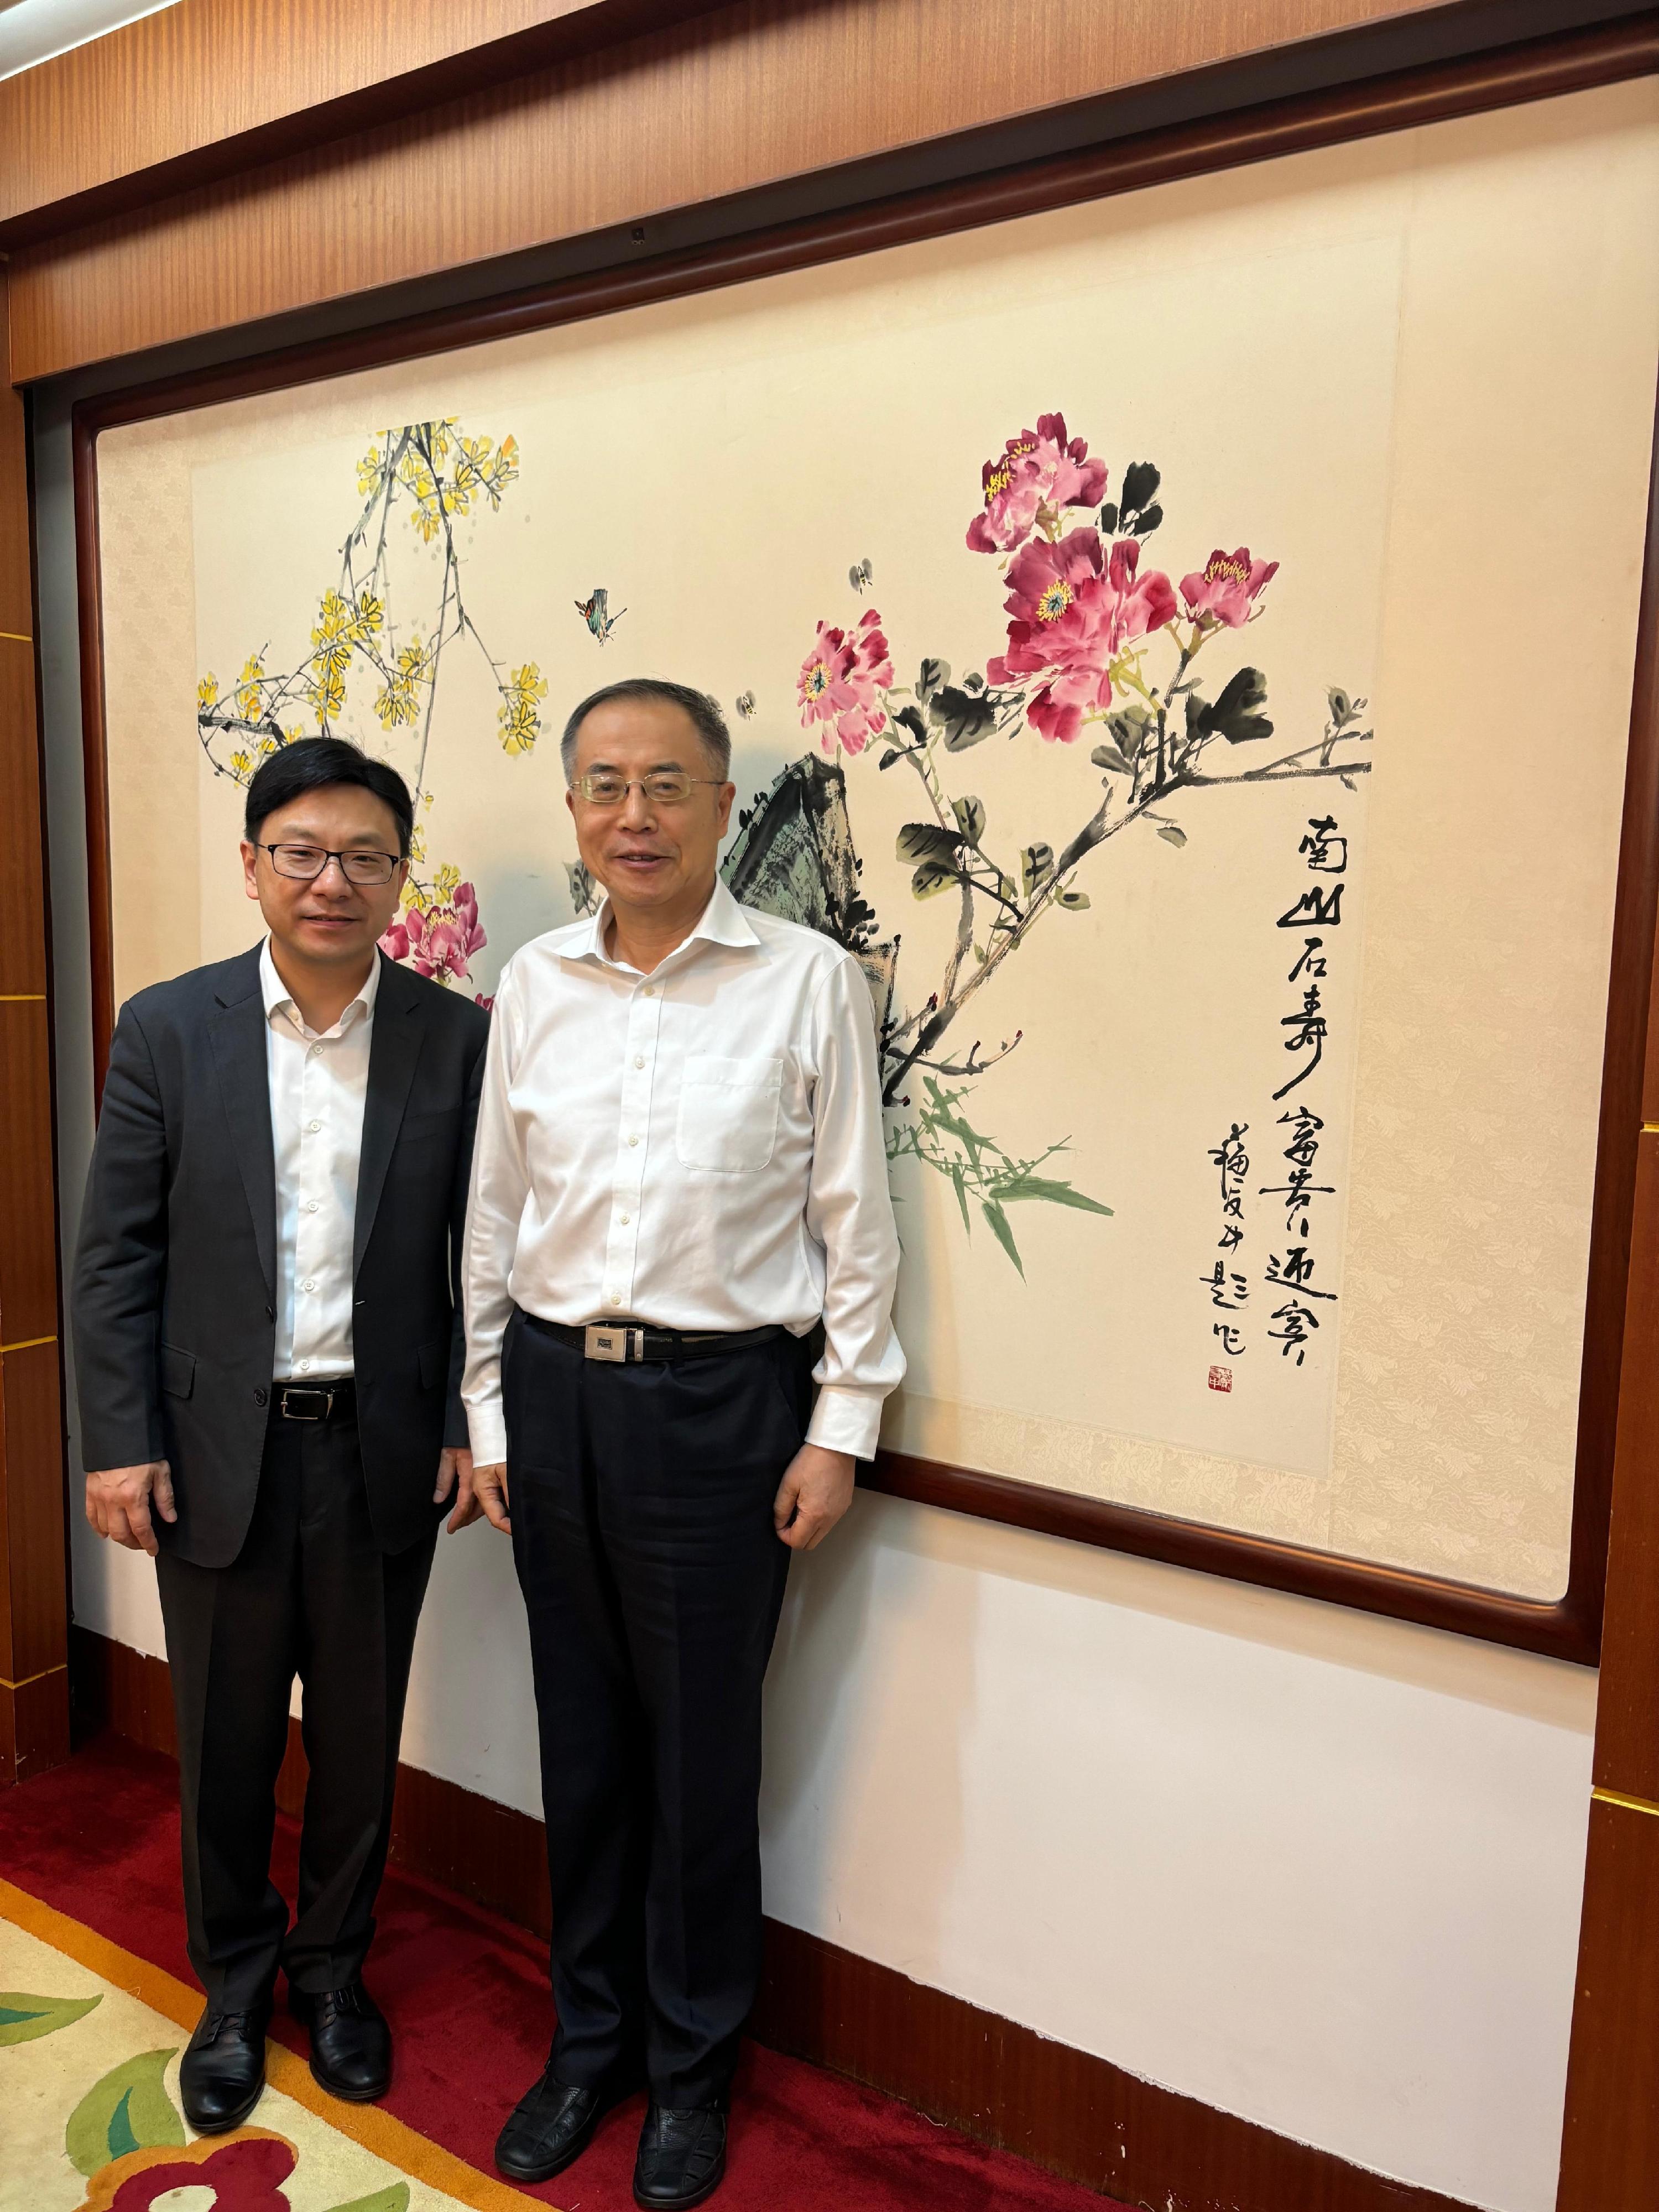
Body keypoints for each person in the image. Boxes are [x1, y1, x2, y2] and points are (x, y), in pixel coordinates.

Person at [458, 679, 904, 2209]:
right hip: (553, 1394)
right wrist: (488, 1411)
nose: (632, 815)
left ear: (722, 804)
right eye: (602, 786)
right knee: (580, 1753)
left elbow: (857, 1217)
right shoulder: (533, 981)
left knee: (703, 1763)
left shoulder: (804, 980)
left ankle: (692, 2069)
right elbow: (495, 1215)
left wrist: (841, 1426)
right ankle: (592, 2045)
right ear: (572, 810)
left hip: (728, 1414)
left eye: (666, 784)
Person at [72, 738, 489, 2133]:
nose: (332, 880)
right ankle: (238, 1983)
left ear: (397, 878)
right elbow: (115, 1255)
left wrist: (452, 1419)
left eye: (365, 856)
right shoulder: (169, 1029)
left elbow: (477, 1254)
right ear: (252, 865)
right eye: (302, 852)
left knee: (362, 1746)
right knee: (228, 1740)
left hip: (379, 1450)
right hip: (213, 1454)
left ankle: (336, 1970)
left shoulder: (453, 1038)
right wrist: (118, 1438)